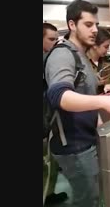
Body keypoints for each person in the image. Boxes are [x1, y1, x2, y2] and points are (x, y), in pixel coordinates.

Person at [44, 0, 110, 207]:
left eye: (96, 25)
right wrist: (103, 101)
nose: (94, 30)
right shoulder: (63, 54)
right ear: (72, 25)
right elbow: (60, 96)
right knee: (87, 199)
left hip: (85, 139)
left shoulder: (80, 55)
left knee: (92, 196)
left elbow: (83, 91)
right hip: (73, 146)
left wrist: (99, 120)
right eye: (88, 25)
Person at [42, 22, 68, 206]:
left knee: (50, 163)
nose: (55, 43)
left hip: (49, 123)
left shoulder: (49, 61)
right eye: (51, 39)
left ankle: (49, 194)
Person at [86, 27, 110, 94]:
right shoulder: (82, 62)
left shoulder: (108, 60)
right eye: (106, 47)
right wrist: (94, 82)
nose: (108, 50)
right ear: (94, 45)